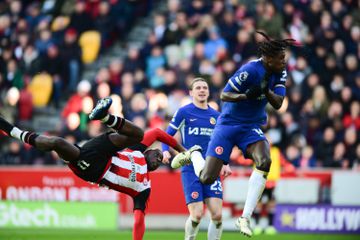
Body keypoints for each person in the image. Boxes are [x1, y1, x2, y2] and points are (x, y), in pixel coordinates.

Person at [0, 97, 186, 240]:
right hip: (103, 151)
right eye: (158, 155)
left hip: (95, 171)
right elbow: (158, 133)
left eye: (160, 161)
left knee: (57, 142)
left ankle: (13, 131)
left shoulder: (144, 188)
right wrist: (182, 151)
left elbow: (139, 220)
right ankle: (103, 116)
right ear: (149, 151)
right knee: (138, 134)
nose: (159, 160)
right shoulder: (138, 150)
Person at [172, 31, 298, 237]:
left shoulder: (280, 72)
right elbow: (224, 95)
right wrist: (246, 95)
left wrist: (265, 91)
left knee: (265, 161)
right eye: (280, 58)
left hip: (250, 126)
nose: (284, 62)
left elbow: (278, 103)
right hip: (228, 125)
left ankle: (245, 217)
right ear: (268, 58)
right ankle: (193, 155)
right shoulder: (250, 70)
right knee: (206, 178)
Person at [162, 77, 232, 240]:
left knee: (217, 215)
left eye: (205, 88)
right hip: (190, 168)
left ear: (208, 92)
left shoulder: (216, 116)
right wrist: (165, 151)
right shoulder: (184, 112)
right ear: (191, 92)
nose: (202, 90)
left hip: (211, 168)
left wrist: (225, 162)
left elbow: (224, 142)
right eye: (198, 88)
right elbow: (167, 135)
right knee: (197, 214)